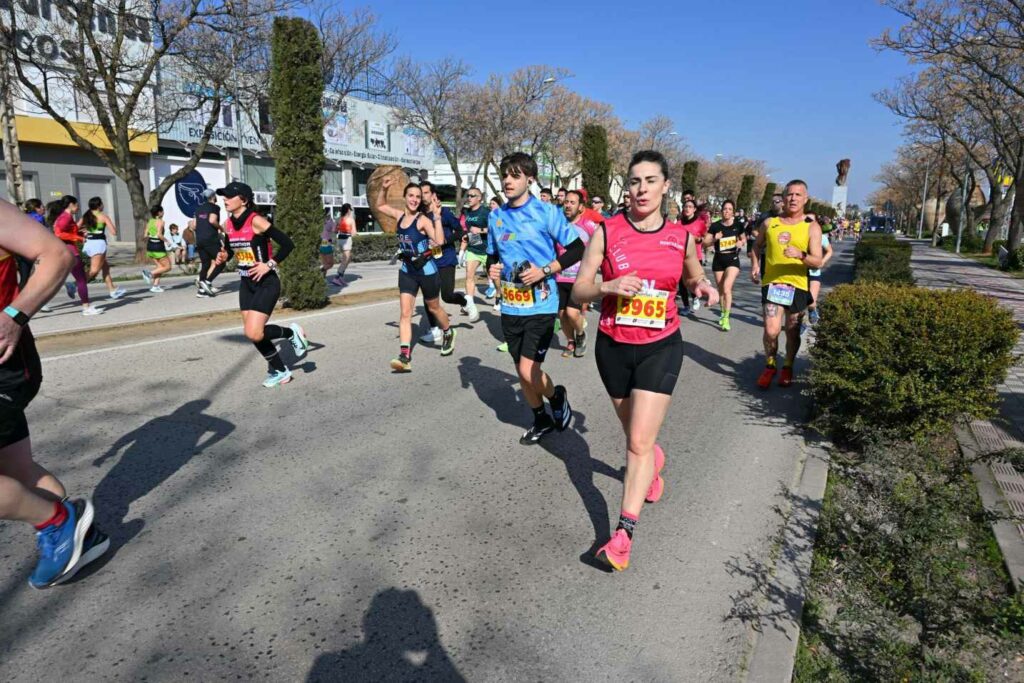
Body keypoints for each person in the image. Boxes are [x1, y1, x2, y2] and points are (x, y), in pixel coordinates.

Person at [572, 150, 718, 571]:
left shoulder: (681, 236)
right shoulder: (607, 230)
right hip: (613, 346)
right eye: (634, 181)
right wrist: (609, 285)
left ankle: (622, 535)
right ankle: (652, 466)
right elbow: (580, 290)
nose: (641, 189)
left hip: (661, 345)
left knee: (636, 442)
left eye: (650, 181)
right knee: (636, 433)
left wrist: (703, 287)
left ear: (665, 185)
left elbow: (692, 276)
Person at [0, 198, 110, 588]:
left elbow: (56, 255)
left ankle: (57, 522)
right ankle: (79, 531)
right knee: (16, 471)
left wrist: (14, 315)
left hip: (4, 364)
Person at [486, 152, 585, 444]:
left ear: (530, 179)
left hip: (541, 304)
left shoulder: (546, 212)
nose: (507, 181)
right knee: (521, 370)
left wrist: (545, 271)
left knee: (529, 369)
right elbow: (494, 256)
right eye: (505, 175)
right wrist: (492, 269)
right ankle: (540, 418)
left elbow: (577, 248)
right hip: (511, 305)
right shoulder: (496, 216)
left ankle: (557, 397)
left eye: (515, 176)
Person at [215, 182, 309, 387]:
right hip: (246, 283)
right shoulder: (228, 224)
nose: (225, 199)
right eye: (224, 196)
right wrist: (224, 256)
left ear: (244, 200)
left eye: (230, 196)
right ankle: (282, 371)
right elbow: (232, 249)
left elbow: (287, 244)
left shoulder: (256, 220)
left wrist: (270, 264)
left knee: (253, 332)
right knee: (254, 334)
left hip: (266, 282)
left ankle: (291, 333)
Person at [750, 180, 824, 388]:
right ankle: (770, 365)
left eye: (798, 195)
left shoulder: (812, 227)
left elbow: (817, 261)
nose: (793, 198)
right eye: (789, 194)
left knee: (792, 330)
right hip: (773, 284)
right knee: (772, 330)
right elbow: (756, 245)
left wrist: (801, 255)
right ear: (783, 198)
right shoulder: (770, 223)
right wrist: (755, 265)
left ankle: (788, 366)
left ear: (805, 199)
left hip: (798, 286)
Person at [376, 177, 456, 372]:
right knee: (405, 313)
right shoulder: (400, 216)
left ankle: (448, 332)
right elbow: (380, 205)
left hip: (427, 272)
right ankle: (404, 356)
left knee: (434, 307)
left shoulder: (423, 220)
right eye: (411, 195)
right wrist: (383, 188)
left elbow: (439, 240)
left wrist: (437, 218)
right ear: (405, 197)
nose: (414, 199)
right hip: (407, 271)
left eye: (418, 197)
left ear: (421, 200)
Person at [419, 182, 469, 343]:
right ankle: (435, 330)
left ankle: (464, 301)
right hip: (429, 260)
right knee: (429, 297)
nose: (423, 196)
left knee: (447, 295)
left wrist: (444, 241)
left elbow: (461, 231)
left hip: (446, 259)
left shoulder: (444, 212)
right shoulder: (420, 214)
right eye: (421, 193)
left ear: (433, 195)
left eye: (426, 192)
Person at [556, 190, 597, 357]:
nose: (567, 205)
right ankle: (570, 342)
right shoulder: (557, 224)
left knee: (572, 313)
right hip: (559, 276)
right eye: (566, 202)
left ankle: (580, 334)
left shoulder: (588, 226)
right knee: (562, 315)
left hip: (579, 279)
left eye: (572, 202)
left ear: (581, 207)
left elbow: (600, 248)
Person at [49, 196, 102, 316]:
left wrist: (79, 232)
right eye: (77, 205)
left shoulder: (65, 216)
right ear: (71, 204)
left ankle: (35, 302)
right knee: (82, 279)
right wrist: (78, 237)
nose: (78, 207)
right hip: (70, 252)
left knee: (53, 280)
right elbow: (59, 233)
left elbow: (66, 231)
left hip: (64, 251)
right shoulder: (66, 217)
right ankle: (86, 307)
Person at [703, 199, 745, 331]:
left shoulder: (738, 225)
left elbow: (744, 238)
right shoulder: (715, 226)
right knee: (721, 290)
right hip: (719, 260)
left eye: (729, 209)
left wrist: (741, 243)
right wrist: (715, 238)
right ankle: (722, 313)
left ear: (733, 212)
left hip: (732, 259)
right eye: (725, 209)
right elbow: (705, 243)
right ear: (721, 211)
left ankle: (726, 317)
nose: (727, 211)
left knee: (727, 288)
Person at [78, 197, 126, 300]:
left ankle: (112, 290)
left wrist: (84, 232)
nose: (103, 205)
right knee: (94, 270)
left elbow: (76, 227)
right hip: (98, 244)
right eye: (102, 204)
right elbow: (114, 232)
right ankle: (74, 285)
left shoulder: (86, 216)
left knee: (105, 268)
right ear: (99, 205)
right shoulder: (103, 217)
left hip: (88, 243)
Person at [460, 188, 488, 322]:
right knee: (469, 276)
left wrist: (481, 230)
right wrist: (462, 250)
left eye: (472, 196)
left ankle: (499, 297)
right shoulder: (467, 212)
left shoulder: (486, 212)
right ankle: (470, 305)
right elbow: (468, 232)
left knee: (494, 279)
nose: (469, 198)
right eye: (468, 195)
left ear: (479, 198)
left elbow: (497, 228)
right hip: (473, 249)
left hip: (488, 250)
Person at [192, 189, 225, 297]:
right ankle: (207, 282)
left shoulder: (198, 209)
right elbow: (212, 220)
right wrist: (221, 228)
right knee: (221, 261)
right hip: (210, 238)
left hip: (200, 240)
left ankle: (201, 291)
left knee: (205, 264)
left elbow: (193, 226)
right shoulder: (214, 207)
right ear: (213, 197)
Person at [677, 199, 705, 315]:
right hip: (680, 257)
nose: (687, 209)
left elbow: (704, 238)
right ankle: (686, 306)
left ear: (694, 209)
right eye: (685, 206)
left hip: (695, 256)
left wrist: (698, 239)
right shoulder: (678, 224)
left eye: (690, 207)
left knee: (692, 282)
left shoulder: (699, 223)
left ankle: (695, 297)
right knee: (682, 283)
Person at [806, 215, 834, 326]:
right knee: (794, 304)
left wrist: (822, 262)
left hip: (813, 271)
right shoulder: (795, 235)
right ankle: (799, 324)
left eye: (811, 220)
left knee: (811, 302)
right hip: (797, 272)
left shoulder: (820, 237)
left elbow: (829, 251)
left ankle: (812, 310)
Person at [140, 207, 172, 293]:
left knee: (160, 267)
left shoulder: (150, 221)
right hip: (158, 246)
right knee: (168, 267)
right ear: (159, 212)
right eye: (162, 211)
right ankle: (149, 274)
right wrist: (167, 241)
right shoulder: (161, 222)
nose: (163, 212)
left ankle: (155, 286)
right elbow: (159, 235)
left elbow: (145, 235)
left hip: (150, 246)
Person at [328, 203, 355, 286]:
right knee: (346, 259)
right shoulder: (351, 220)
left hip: (340, 239)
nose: (351, 211)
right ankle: (337, 277)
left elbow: (334, 231)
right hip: (347, 240)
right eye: (350, 209)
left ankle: (341, 278)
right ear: (348, 210)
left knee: (348, 258)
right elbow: (354, 232)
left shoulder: (338, 219)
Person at [485, 197, 501, 305]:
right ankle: (498, 291)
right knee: (491, 273)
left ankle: (499, 296)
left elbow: (500, 232)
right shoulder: (490, 215)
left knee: (495, 273)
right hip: (490, 249)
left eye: (494, 203)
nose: (491, 205)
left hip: (499, 251)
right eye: (490, 203)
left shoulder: (500, 216)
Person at [319, 210, 335, 275]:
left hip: (320, 242)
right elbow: (334, 231)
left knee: (325, 263)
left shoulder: (320, 222)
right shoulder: (330, 222)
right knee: (330, 264)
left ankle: (323, 278)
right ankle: (320, 270)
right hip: (326, 242)